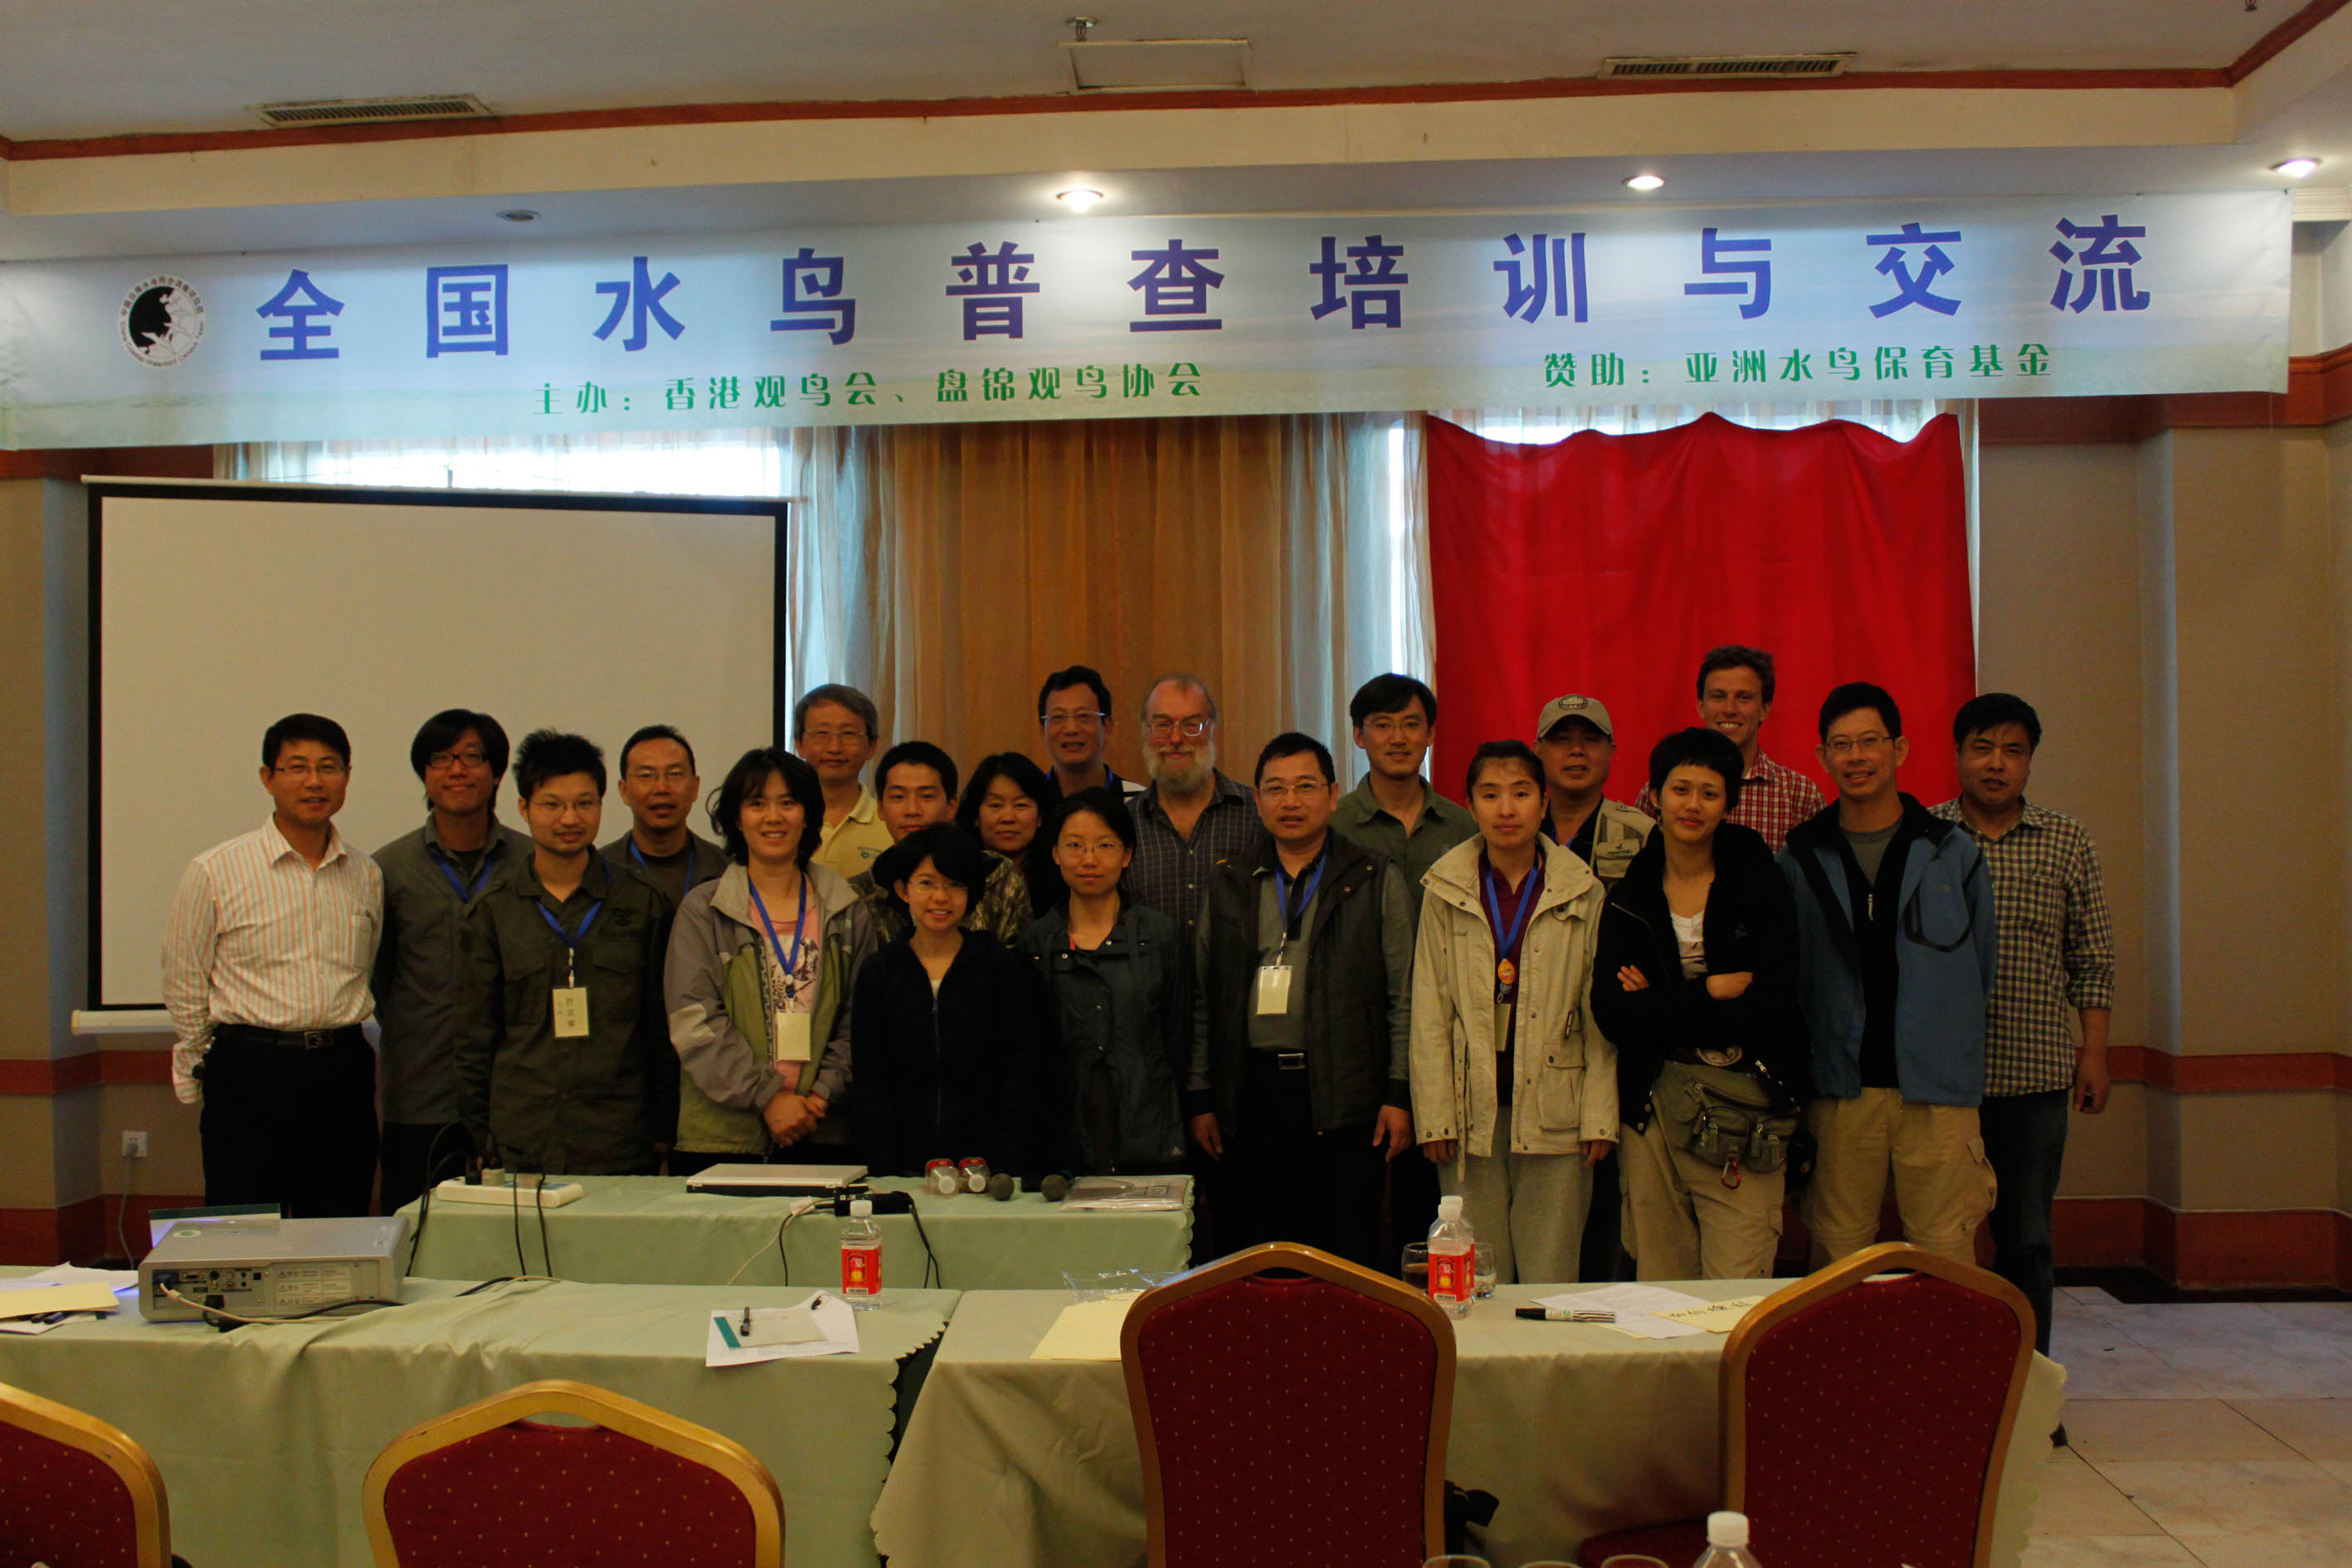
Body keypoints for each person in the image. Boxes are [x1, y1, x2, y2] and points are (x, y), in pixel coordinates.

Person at [1780, 682, 1999, 1269]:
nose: (1856, 757)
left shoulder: (1950, 850)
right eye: (1841, 744)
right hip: (1838, 1092)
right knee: (1836, 1254)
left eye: (1870, 741)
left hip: (1936, 1093)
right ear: (1822, 757)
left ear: (1898, 749)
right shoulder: (1801, 855)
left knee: (1947, 1252)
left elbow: (1979, 966)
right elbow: (1790, 976)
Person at [1593, 728, 1812, 1281]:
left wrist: (1658, 1004)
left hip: (1746, 1101)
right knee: (1661, 1286)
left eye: (1709, 793)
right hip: (1652, 1105)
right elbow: (1614, 1014)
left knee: (1738, 1289)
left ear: (1728, 803)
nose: (1692, 805)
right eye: (1680, 789)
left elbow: (1771, 1001)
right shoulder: (1630, 893)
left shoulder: (1760, 881)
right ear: (1655, 796)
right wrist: (1709, 990)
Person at [1190, 734, 1413, 1270]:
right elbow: (1203, 997)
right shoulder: (1229, 880)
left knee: (1342, 1261)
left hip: (1344, 1096)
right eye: (1276, 789)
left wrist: (1399, 1092)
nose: (1290, 801)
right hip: (1250, 1097)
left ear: (1333, 795)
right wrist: (1200, 1096)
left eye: (1305, 787)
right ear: (1258, 800)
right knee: (1256, 1259)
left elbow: (1404, 997)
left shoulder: (1373, 877)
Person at [1933, 694, 2113, 1356]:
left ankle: (2028, 1383)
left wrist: (2093, 1053)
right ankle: (1951, 1378)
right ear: (1957, 754)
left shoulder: (2066, 839)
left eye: (2012, 751)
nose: (1995, 764)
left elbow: (2091, 957)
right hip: (1942, 1081)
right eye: (1981, 748)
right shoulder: (1926, 836)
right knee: (1942, 1239)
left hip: (2034, 1078)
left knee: (2027, 1239)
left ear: (2030, 761)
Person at [162, 713, 384, 1217]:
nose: (314, 781)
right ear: (268, 778)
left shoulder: (366, 874)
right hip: (250, 1070)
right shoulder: (215, 870)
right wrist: (201, 1064)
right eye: (297, 767)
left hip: (342, 1068)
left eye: (328, 767)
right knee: (245, 1228)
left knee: (337, 1225)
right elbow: (184, 980)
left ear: (347, 777)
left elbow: (365, 968)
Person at [1410, 740, 1615, 1284]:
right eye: (1490, 795)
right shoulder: (1444, 887)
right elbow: (1429, 1009)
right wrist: (1434, 1115)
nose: (1507, 809)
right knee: (1476, 1274)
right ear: (1469, 805)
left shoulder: (1581, 890)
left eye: (1521, 794)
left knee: (1551, 1275)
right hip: (1468, 1108)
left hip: (1558, 1109)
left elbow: (1597, 1011)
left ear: (1543, 802)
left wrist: (1599, 1114)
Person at [453, 731, 675, 1176]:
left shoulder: (643, 903)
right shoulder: (492, 912)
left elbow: (661, 1026)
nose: (570, 818)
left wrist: (664, 1124)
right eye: (552, 805)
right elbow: (475, 1037)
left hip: (620, 1136)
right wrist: (480, 1134)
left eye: (584, 803)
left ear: (602, 804)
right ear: (523, 808)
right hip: (522, 1137)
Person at [666, 748, 877, 1173]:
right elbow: (694, 1020)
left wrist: (819, 1096)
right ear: (736, 817)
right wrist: (768, 1098)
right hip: (723, 1136)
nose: (773, 817)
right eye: (757, 803)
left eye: (788, 802)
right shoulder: (704, 910)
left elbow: (862, 1019)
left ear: (808, 815)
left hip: (822, 1128)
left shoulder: (846, 910)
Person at [372, 709, 533, 1215]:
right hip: (421, 1090)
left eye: (472, 757)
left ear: (497, 773)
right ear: (424, 774)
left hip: (516, 1093)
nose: (457, 770)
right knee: (414, 1234)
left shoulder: (532, 863)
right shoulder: (388, 869)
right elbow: (377, 979)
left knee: (517, 1235)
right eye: (441, 759)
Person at [850, 824, 1040, 1178]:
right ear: (903, 890)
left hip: (988, 1165)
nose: (941, 897)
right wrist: (883, 1166)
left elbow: (1018, 1072)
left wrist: (1009, 1163)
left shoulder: (1000, 967)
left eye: (955, 884)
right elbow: (870, 1078)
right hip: (901, 1167)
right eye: (927, 883)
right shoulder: (880, 971)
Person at [1019, 789, 1191, 1176]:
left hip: (1149, 1126)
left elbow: (1180, 1035)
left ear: (1127, 854)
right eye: (1075, 846)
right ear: (1055, 853)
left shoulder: (1161, 936)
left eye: (1104, 845)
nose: (1089, 859)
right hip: (1062, 1133)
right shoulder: (1035, 944)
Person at [1634, 645, 1828, 854]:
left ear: (1765, 709)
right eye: (1718, 696)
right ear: (1701, 705)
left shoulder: (1801, 795)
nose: (1729, 709)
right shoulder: (1660, 791)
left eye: (1744, 697)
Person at [1129, 672, 1267, 952]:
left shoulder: (1257, 814)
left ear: (1213, 728)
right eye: (1162, 725)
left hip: (1238, 980)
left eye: (1192, 725)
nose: (1176, 738)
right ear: (1145, 730)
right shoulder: (1124, 824)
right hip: (1151, 982)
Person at [849, 741, 1034, 944]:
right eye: (898, 797)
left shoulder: (996, 878)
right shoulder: (861, 892)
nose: (912, 810)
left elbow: (1019, 957)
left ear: (951, 806)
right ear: (880, 808)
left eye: (927, 796)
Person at [1329, 673, 1478, 923]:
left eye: (1411, 725)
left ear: (1430, 734)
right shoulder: (1333, 825)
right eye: (1382, 725)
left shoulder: (1464, 826)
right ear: (1359, 736)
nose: (1398, 739)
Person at [600, 724, 724, 911]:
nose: (661, 788)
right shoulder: (600, 870)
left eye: (674, 774)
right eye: (646, 776)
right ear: (624, 791)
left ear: (695, 787)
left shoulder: (725, 869)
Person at [1534, 693, 1653, 886]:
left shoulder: (1640, 833)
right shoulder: (1518, 828)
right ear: (1538, 750)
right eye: (1562, 739)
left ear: (1611, 751)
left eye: (1590, 739)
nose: (1577, 750)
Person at [796, 684, 894, 879]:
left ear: (872, 746)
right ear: (799, 743)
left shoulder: (891, 823)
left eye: (848, 734)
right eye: (822, 733)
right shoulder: (784, 820)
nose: (834, 748)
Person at [957, 752, 1059, 915]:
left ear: (1040, 816)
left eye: (1021, 805)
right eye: (996, 805)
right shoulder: (954, 877)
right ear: (976, 816)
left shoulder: (1061, 880)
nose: (1008, 818)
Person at [1037, 664, 1147, 805]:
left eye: (1083, 716)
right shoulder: (1029, 803)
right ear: (1043, 730)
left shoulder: (1141, 804)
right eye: (1058, 717)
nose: (1071, 729)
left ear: (1107, 727)